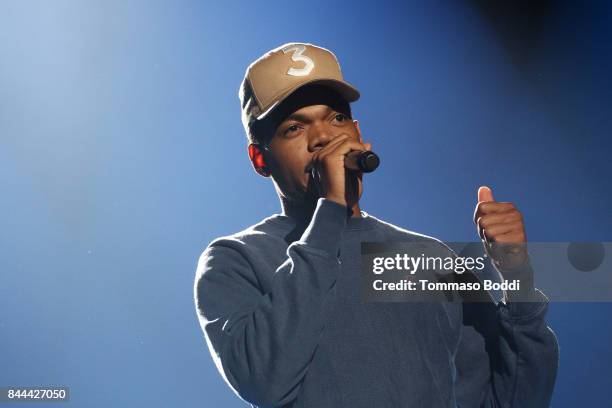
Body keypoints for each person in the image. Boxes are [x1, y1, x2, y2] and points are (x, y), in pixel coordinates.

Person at [194, 42, 559, 408]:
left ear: (357, 131)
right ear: (260, 158)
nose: (323, 137)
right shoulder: (234, 261)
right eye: (294, 127)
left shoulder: (429, 258)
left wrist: (517, 278)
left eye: (336, 118)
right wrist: (330, 209)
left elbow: (512, 400)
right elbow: (264, 382)